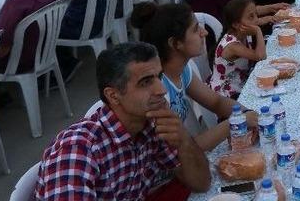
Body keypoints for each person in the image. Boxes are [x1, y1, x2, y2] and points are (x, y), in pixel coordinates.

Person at [36, 43, 211, 199]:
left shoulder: (151, 124)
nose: (162, 89)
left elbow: (201, 183)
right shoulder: (77, 150)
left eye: (159, 77)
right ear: (113, 96)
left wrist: (184, 140)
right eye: (145, 82)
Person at [130, 2, 258, 151]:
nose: (204, 33)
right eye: (196, 29)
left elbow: (216, 102)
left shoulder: (182, 70)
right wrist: (234, 122)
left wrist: (247, 114)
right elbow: (185, 149)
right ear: (175, 43)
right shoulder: (158, 90)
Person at [209, 0, 268, 99]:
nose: (256, 20)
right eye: (251, 17)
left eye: (256, 14)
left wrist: (271, 15)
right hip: (227, 93)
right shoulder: (232, 45)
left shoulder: (243, 33)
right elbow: (261, 56)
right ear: (236, 24)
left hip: (241, 83)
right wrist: (258, 31)